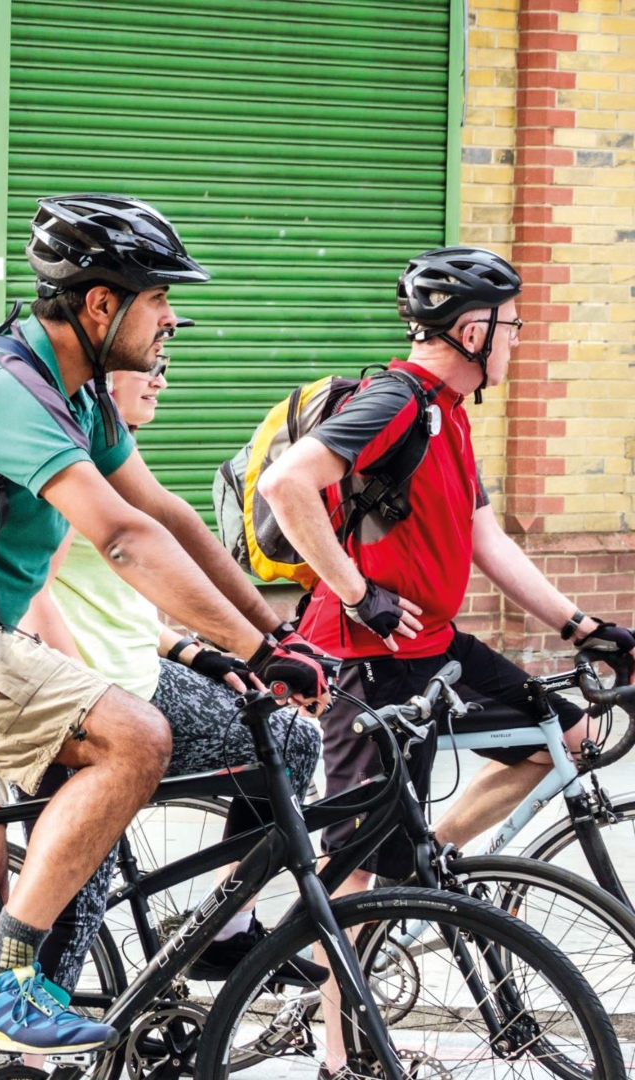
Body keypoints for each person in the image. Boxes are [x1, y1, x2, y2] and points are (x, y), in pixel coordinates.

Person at [0, 194, 328, 1056]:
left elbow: (167, 514)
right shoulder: (3, 389)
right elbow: (122, 538)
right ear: (100, 304)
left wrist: (272, 637)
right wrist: (254, 650)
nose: (173, 319)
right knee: (135, 737)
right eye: (159, 296)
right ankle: (10, 982)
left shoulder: (80, 400)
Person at [255, 245, 635, 1078]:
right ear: (473, 328)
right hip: (362, 657)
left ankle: (422, 871)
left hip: (434, 648)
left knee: (562, 734)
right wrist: (358, 592)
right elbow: (289, 482)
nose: (520, 340)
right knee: (354, 865)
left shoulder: (449, 412)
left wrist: (582, 627)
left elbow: (482, 538)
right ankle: (337, 1049)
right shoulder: (396, 401)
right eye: (513, 326)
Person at [15, 322, 326, 992]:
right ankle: (31, 1055)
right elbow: (32, 597)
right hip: (95, 708)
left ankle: (224, 929)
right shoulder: (70, 471)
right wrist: (83, 706)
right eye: (147, 366)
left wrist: (199, 651)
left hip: (146, 680)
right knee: (68, 924)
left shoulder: (115, 467)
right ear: (97, 381)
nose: (163, 377)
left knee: (292, 739)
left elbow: (118, 600)